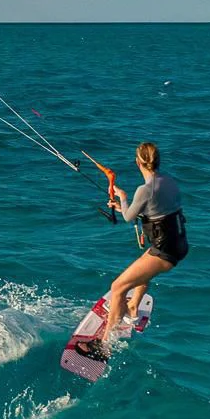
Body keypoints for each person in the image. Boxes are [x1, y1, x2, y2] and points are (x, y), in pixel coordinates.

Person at [73, 141, 188, 361]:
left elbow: (128, 217)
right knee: (142, 272)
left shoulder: (144, 190)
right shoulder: (169, 181)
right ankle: (133, 308)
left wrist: (123, 198)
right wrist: (126, 206)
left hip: (164, 251)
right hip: (178, 243)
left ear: (138, 162)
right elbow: (160, 210)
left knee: (117, 287)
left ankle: (102, 347)